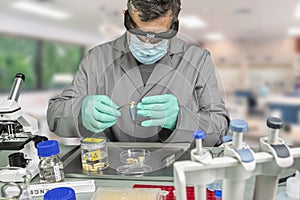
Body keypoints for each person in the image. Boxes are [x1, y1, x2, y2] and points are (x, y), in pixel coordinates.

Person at [47, 0, 229, 146]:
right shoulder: (97, 58)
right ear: (126, 19)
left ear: (175, 26)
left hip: (175, 168)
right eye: (140, 34)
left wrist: (180, 119)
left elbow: (219, 128)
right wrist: (79, 112)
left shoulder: (197, 59)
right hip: (113, 168)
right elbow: (54, 116)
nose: (149, 43)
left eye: (160, 36)